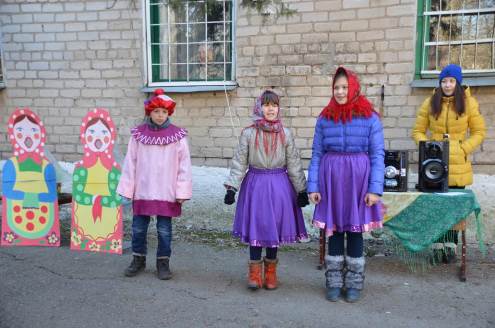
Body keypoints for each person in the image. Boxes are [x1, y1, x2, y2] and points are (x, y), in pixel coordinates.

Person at [307, 66, 384, 303]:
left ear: (353, 88)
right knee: (336, 231)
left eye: (344, 87)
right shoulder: (324, 117)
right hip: (331, 182)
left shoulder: (370, 117)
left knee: (355, 231)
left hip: (359, 184)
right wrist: (314, 186)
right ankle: (334, 282)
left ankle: (353, 283)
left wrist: (374, 188)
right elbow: (317, 154)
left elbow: (377, 154)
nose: (340, 92)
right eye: (336, 88)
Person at [224, 89, 309, 291]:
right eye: (266, 105)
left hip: (279, 186)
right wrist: (232, 187)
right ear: (259, 107)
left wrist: (301, 190)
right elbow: (239, 161)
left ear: (279, 108)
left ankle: (270, 272)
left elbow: (294, 163)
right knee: (257, 226)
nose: (270, 109)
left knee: (274, 228)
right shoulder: (249, 133)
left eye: (274, 105)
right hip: (255, 185)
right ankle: (254, 273)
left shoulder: (285, 134)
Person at [412, 64, 486, 263]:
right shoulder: (430, 102)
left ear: (458, 83)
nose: (447, 85)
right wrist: (427, 147)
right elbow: (418, 130)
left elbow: (479, 132)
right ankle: (437, 247)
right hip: (433, 164)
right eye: (444, 81)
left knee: (453, 207)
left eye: (451, 81)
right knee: (436, 207)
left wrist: (463, 148)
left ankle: (450, 247)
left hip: (457, 165)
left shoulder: (469, 103)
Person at [117, 89, 192, 280]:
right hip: (143, 189)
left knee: (164, 230)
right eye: (156, 111)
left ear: (169, 113)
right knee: (138, 228)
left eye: (164, 112)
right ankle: (138, 259)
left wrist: (182, 190)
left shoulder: (178, 136)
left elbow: (184, 165)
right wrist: (127, 189)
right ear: (149, 112)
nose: (160, 115)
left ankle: (163, 262)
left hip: (167, 191)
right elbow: (130, 162)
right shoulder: (138, 136)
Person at [1, 108, 60, 247]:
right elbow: (8, 192)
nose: (28, 137)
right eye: (21, 131)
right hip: (17, 215)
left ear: (41, 135)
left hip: (43, 216)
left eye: (34, 131)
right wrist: (31, 197)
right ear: (13, 136)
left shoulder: (47, 166)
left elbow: (51, 196)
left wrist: (35, 198)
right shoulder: (11, 165)